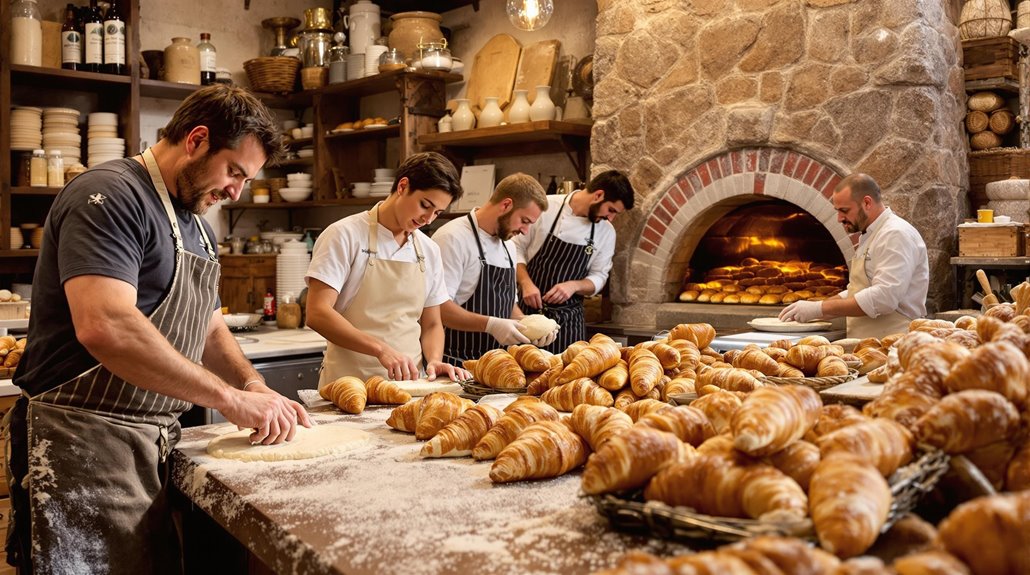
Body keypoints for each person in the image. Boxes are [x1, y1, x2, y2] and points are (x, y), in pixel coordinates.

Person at [6, 84, 312, 574]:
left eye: (246, 179)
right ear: (195, 140)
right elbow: (106, 325)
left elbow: (209, 327)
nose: (236, 191)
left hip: (150, 440)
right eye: (234, 171)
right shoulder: (108, 196)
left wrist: (251, 383)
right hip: (82, 442)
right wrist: (229, 400)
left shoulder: (197, 225)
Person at [306, 152, 472, 385]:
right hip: (348, 386)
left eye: (437, 212)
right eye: (425, 205)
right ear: (403, 186)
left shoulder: (429, 250)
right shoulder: (344, 235)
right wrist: (380, 349)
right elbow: (318, 313)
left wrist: (434, 360)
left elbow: (432, 322)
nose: (428, 219)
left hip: (410, 387)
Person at [779, 173, 928, 338]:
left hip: (895, 344)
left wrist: (819, 308)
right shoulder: (871, 234)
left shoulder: (896, 234)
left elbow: (884, 298)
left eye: (844, 211)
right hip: (869, 343)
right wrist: (814, 309)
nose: (839, 218)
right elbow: (859, 291)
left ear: (867, 203)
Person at [433, 173, 556, 363]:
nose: (525, 231)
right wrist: (491, 325)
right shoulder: (452, 238)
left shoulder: (508, 244)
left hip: (499, 365)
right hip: (456, 362)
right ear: (506, 205)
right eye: (524, 221)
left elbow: (509, 306)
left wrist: (527, 327)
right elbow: (439, 309)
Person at [514, 170, 635, 352]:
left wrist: (573, 286)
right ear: (598, 195)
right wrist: (526, 283)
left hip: (569, 321)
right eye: (610, 210)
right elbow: (514, 249)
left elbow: (599, 276)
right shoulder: (546, 208)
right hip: (527, 315)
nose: (611, 218)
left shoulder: (606, 231)